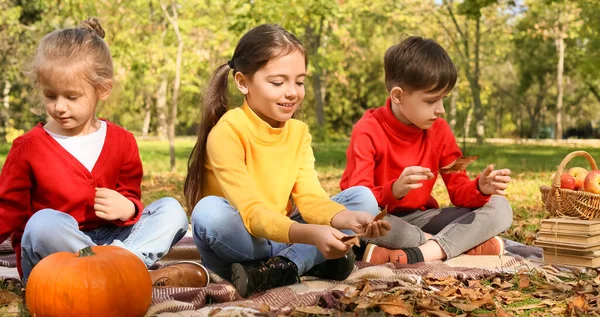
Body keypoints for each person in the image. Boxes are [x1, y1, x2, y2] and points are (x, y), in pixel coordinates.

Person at [185, 24, 391, 298]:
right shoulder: (228, 131)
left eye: (300, 81)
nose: (292, 92)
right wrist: (312, 235)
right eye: (278, 82)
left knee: (363, 199)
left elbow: (311, 198)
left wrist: (349, 219)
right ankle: (308, 258)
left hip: (284, 231)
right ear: (242, 82)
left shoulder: (298, 132)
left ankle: (280, 268)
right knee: (208, 213)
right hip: (243, 240)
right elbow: (253, 214)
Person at [0, 18, 190, 284]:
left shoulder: (122, 141)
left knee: (172, 211)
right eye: (51, 96)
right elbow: (6, 209)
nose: (60, 107)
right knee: (43, 223)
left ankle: (116, 265)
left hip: (113, 241)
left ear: (103, 90)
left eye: (72, 96)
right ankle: (116, 270)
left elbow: (129, 194)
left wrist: (127, 208)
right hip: (57, 257)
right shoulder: (28, 148)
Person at [340, 36, 513, 265]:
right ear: (398, 96)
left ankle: (420, 253)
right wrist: (395, 190)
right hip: (380, 220)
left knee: (500, 207)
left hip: (421, 219)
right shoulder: (367, 130)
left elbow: (458, 189)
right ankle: (455, 244)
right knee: (356, 224)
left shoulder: (439, 130)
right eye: (432, 101)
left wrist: (480, 188)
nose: (440, 109)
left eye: (443, 99)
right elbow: (359, 201)